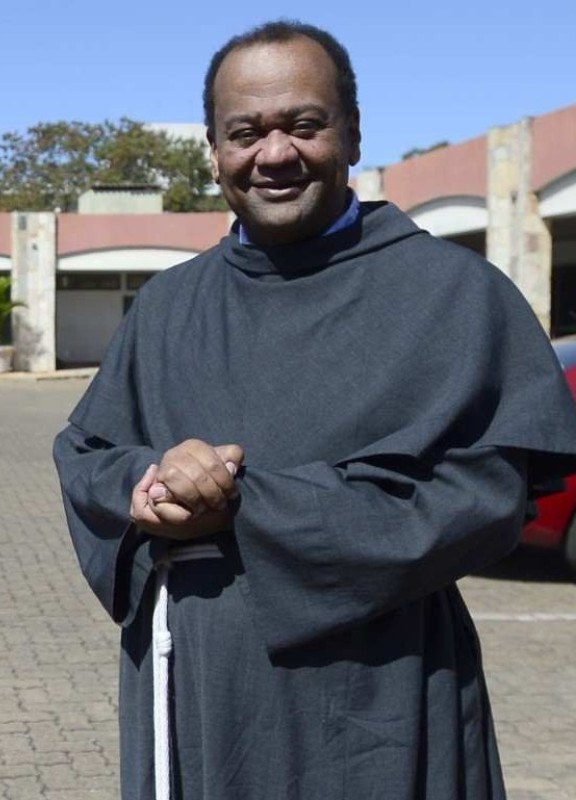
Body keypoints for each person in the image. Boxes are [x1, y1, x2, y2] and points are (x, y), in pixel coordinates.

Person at [53, 19, 576, 800]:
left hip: (382, 697)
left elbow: (487, 500)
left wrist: (245, 506)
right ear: (214, 150)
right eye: (246, 132)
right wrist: (147, 482)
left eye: (304, 125)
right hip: (198, 693)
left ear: (353, 133)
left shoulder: (454, 296)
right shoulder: (168, 305)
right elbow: (85, 453)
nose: (274, 154)